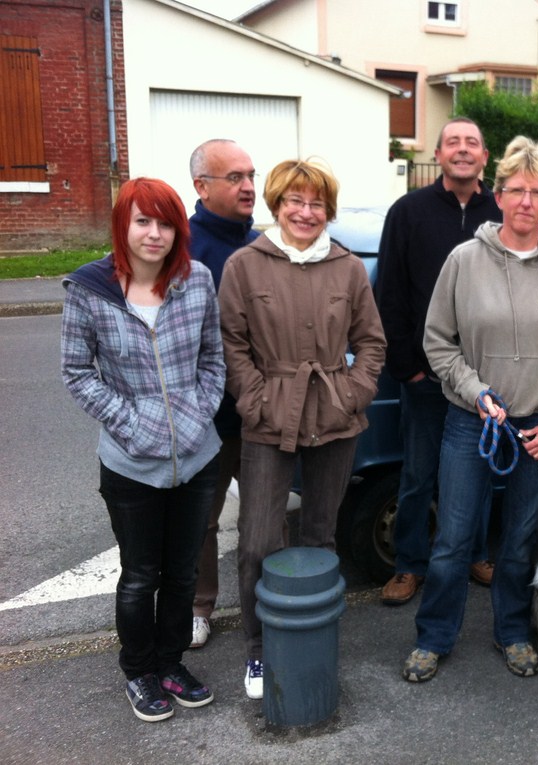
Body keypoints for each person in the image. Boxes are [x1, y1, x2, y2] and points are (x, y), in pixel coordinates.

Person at [402, 136, 538, 683]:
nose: (526, 201)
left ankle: (512, 631)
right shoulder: (463, 261)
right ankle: (434, 636)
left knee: (516, 545)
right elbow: (437, 341)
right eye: (516, 190)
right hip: (472, 424)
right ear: (500, 194)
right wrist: (474, 390)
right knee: (453, 541)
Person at [219, 158, 386, 699]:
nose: (306, 212)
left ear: (328, 211)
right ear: (277, 205)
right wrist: (255, 400)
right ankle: (259, 650)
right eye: (295, 201)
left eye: (316, 203)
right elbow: (232, 344)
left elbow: (372, 343)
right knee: (258, 541)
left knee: (320, 536)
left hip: (335, 418)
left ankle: (314, 636)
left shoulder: (348, 268)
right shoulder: (246, 264)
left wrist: (353, 392)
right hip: (271, 420)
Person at [60, 177, 223, 722]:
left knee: (181, 573)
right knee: (139, 575)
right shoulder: (90, 290)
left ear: (179, 228)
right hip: (131, 463)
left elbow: (213, 362)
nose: (155, 234)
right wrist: (133, 424)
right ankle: (139, 672)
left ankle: (171, 663)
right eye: (143, 221)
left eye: (166, 222)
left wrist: (197, 418)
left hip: (197, 457)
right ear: (123, 227)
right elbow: (78, 372)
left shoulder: (196, 281)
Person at [375, 117, 502, 606]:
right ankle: (410, 565)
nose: (463, 150)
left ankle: (475, 554)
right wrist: (407, 366)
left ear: (485, 157)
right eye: (454, 142)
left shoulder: (501, 211)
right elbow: (390, 294)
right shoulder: (408, 212)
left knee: (481, 471)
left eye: (473, 142)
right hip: (426, 374)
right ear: (439, 153)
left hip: (485, 377)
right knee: (418, 474)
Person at [186, 138, 259, 649]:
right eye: (234, 177)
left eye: (250, 175)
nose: (249, 186)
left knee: (263, 520)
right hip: (204, 417)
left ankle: (266, 606)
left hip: (258, 414)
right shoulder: (181, 249)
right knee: (202, 520)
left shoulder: (262, 246)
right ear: (201, 186)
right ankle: (198, 608)